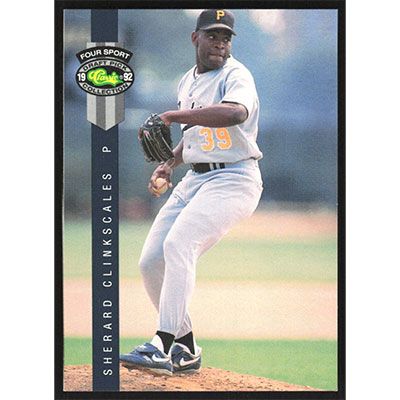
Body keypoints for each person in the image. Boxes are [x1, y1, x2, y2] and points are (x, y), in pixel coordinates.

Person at [120, 9, 263, 376]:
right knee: (151, 262)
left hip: (235, 178)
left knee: (179, 244)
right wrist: (170, 163)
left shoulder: (236, 75)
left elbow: (234, 114)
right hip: (195, 180)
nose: (220, 43)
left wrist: (171, 116)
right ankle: (186, 347)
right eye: (213, 35)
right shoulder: (187, 81)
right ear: (195, 38)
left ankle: (161, 346)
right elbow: (196, 135)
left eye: (226, 37)